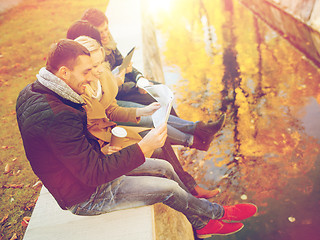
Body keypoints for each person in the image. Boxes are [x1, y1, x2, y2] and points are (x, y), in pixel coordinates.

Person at [16, 39, 257, 238]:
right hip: (84, 195)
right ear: (64, 72)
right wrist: (144, 147)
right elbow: (93, 174)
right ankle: (216, 213)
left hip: (84, 172)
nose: (92, 77)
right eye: (86, 71)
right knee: (168, 189)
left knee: (163, 167)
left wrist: (104, 147)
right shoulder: (57, 115)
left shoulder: (35, 91)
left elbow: (69, 148)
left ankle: (200, 223)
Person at [73, 35, 221, 199]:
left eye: (101, 62)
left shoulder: (102, 76)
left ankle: (191, 186)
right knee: (157, 149)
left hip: (114, 132)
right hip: (103, 146)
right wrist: (102, 150)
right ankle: (188, 186)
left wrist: (142, 112)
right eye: (94, 65)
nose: (101, 68)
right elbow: (80, 140)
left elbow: (112, 109)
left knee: (158, 135)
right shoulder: (78, 95)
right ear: (82, 68)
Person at [67, 19, 226, 152]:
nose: (105, 35)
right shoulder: (82, 85)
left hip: (115, 97)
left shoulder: (106, 48)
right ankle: (195, 138)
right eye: (101, 33)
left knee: (158, 94)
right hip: (116, 102)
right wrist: (128, 84)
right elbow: (109, 100)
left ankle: (198, 131)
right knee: (152, 118)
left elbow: (120, 69)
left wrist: (139, 78)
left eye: (106, 30)